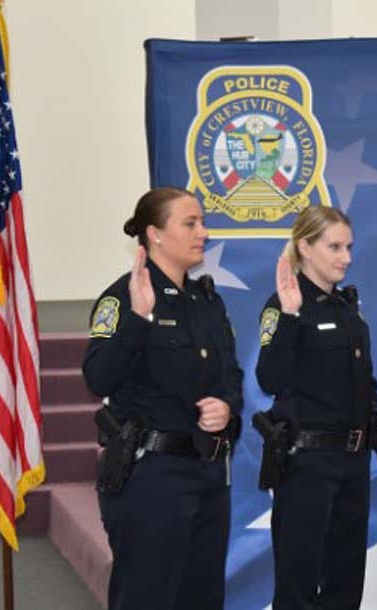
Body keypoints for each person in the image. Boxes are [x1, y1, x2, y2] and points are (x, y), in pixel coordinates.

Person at [83, 186, 244, 610]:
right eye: (190, 224)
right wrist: (138, 319)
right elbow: (98, 378)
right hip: (151, 476)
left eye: (202, 223)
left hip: (208, 473)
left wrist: (227, 408)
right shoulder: (124, 296)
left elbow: (230, 375)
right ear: (154, 234)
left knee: (203, 599)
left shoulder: (207, 301)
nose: (203, 232)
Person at [256, 206, 377, 610]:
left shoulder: (347, 310)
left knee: (345, 586)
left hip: (353, 462)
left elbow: (365, 388)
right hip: (307, 463)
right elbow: (269, 379)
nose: (346, 257)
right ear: (305, 247)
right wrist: (290, 316)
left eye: (349, 247)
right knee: (298, 585)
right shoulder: (283, 305)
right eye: (335, 247)